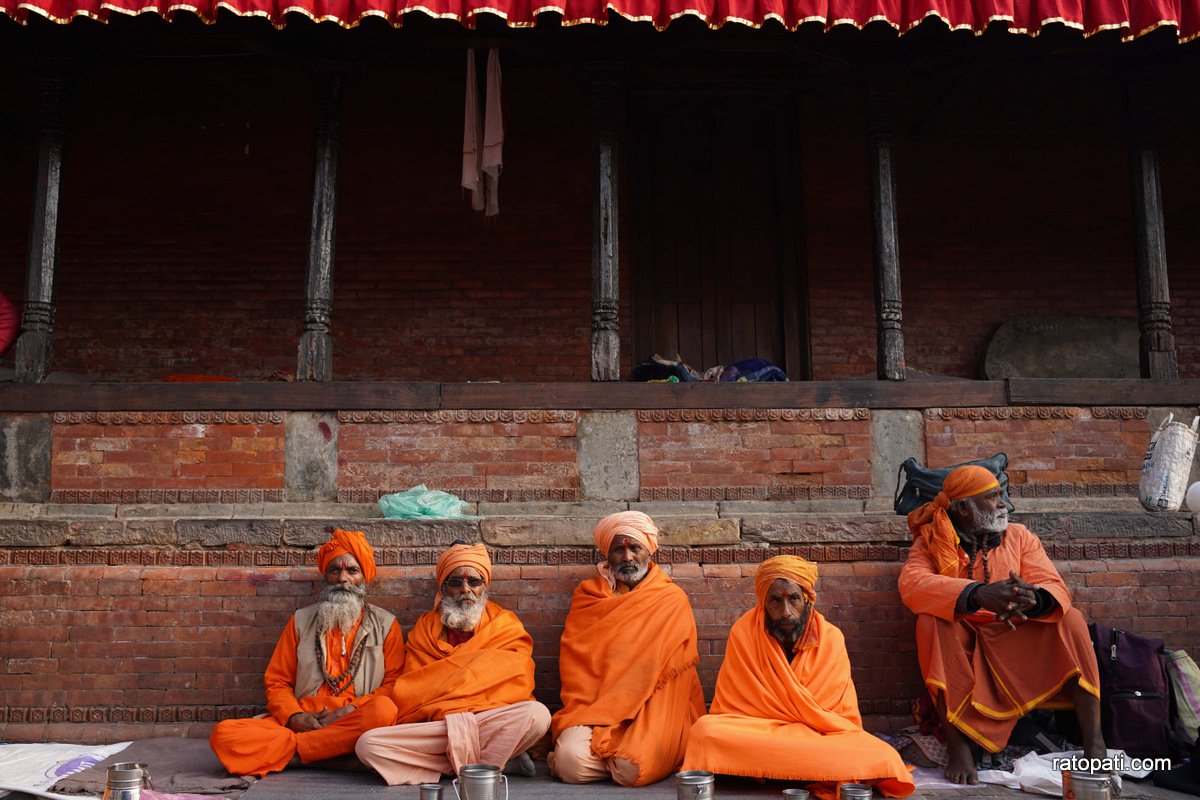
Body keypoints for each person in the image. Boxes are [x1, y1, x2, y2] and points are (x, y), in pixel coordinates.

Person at [899, 464, 1105, 785]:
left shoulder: (1019, 536)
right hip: (964, 642)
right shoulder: (931, 540)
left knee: (1072, 620)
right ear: (964, 508)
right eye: (993, 498)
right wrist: (979, 594)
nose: (1003, 505)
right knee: (930, 623)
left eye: (1001, 496)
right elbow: (913, 585)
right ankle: (959, 748)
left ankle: (1095, 744)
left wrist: (1031, 599)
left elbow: (1053, 584)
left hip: (1013, 633)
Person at [683, 555, 914, 798]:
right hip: (757, 729)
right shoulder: (744, 631)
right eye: (775, 601)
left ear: (807, 599)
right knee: (705, 731)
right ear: (763, 603)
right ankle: (802, 767)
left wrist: (797, 730)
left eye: (793, 599)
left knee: (880, 754)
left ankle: (767, 767)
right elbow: (733, 706)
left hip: (816, 733)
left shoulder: (831, 638)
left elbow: (836, 717)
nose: (785, 612)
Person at [210, 529, 404, 777]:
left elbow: (393, 685)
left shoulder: (387, 625)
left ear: (364, 577)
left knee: (384, 711)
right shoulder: (301, 621)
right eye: (335, 570)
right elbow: (277, 681)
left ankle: (298, 754)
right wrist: (294, 716)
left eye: (352, 571)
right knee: (225, 735)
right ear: (326, 577)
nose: (343, 578)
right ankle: (335, 755)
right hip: (303, 724)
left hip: (354, 721)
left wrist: (350, 711)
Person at [355, 542, 551, 785]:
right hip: (439, 727)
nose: (465, 590)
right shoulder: (424, 630)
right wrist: (454, 715)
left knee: (537, 715)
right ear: (444, 588)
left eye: (474, 582)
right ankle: (493, 763)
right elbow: (412, 694)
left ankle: (448, 765)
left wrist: (464, 708)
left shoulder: (506, 625)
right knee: (368, 745)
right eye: (456, 583)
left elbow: (518, 684)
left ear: (484, 586)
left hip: (486, 721)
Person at [548, 511, 706, 786]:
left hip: (651, 709)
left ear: (649, 552)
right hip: (593, 710)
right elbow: (577, 669)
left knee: (632, 768)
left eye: (635, 548)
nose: (628, 557)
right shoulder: (588, 597)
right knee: (570, 763)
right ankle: (602, 756)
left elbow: (673, 679)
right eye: (619, 550)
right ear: (608, 554)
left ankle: (613, 757)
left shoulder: (671, 600)